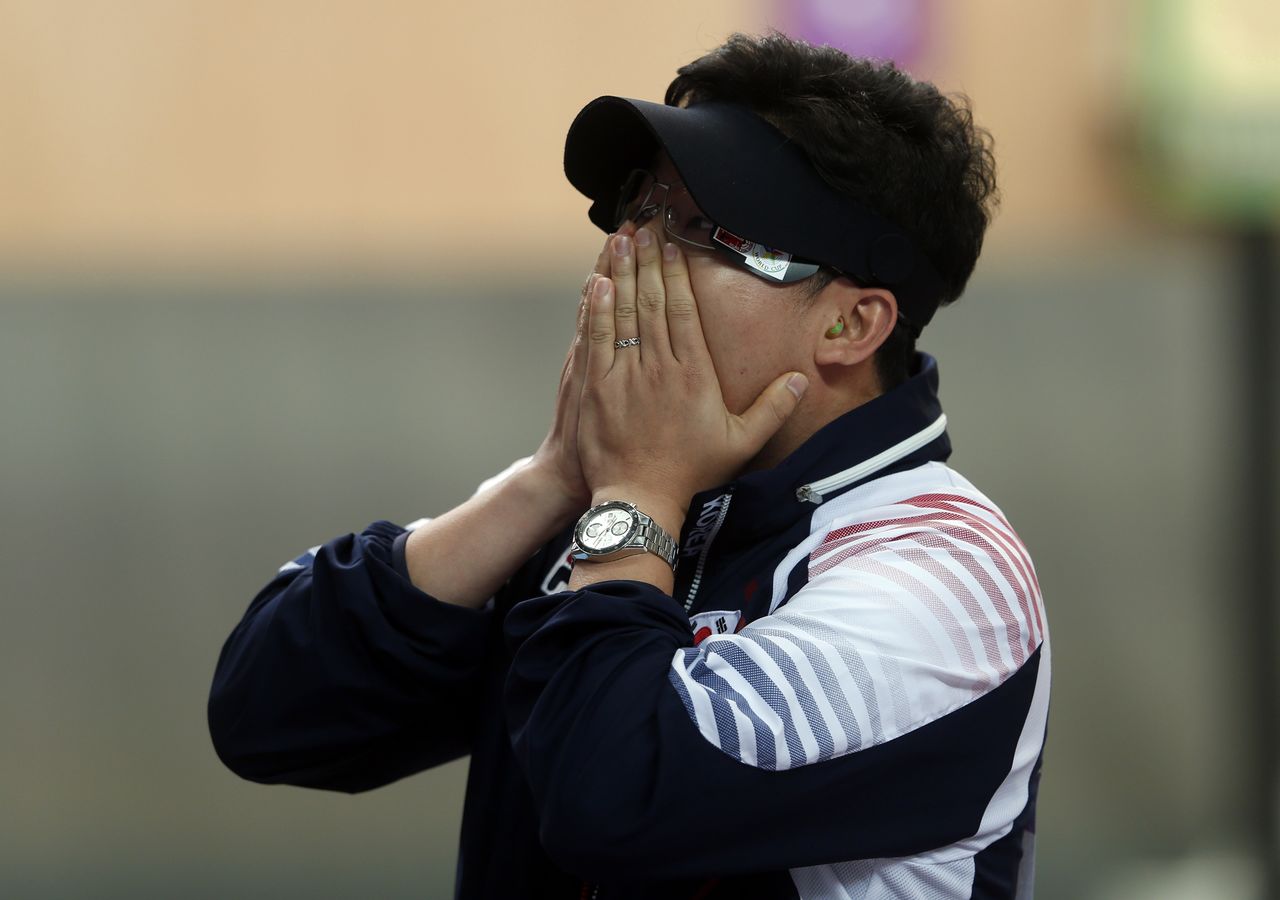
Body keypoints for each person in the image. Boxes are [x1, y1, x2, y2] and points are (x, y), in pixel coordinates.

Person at [208, 31, 1049, 900]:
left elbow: (612, 800)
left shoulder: (944, 573)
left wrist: (636, 498)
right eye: (640, 208)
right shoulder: (614, 498)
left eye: (699, 232)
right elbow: (269, 717)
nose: (630, 255)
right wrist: (551, 480)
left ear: (849, 326)